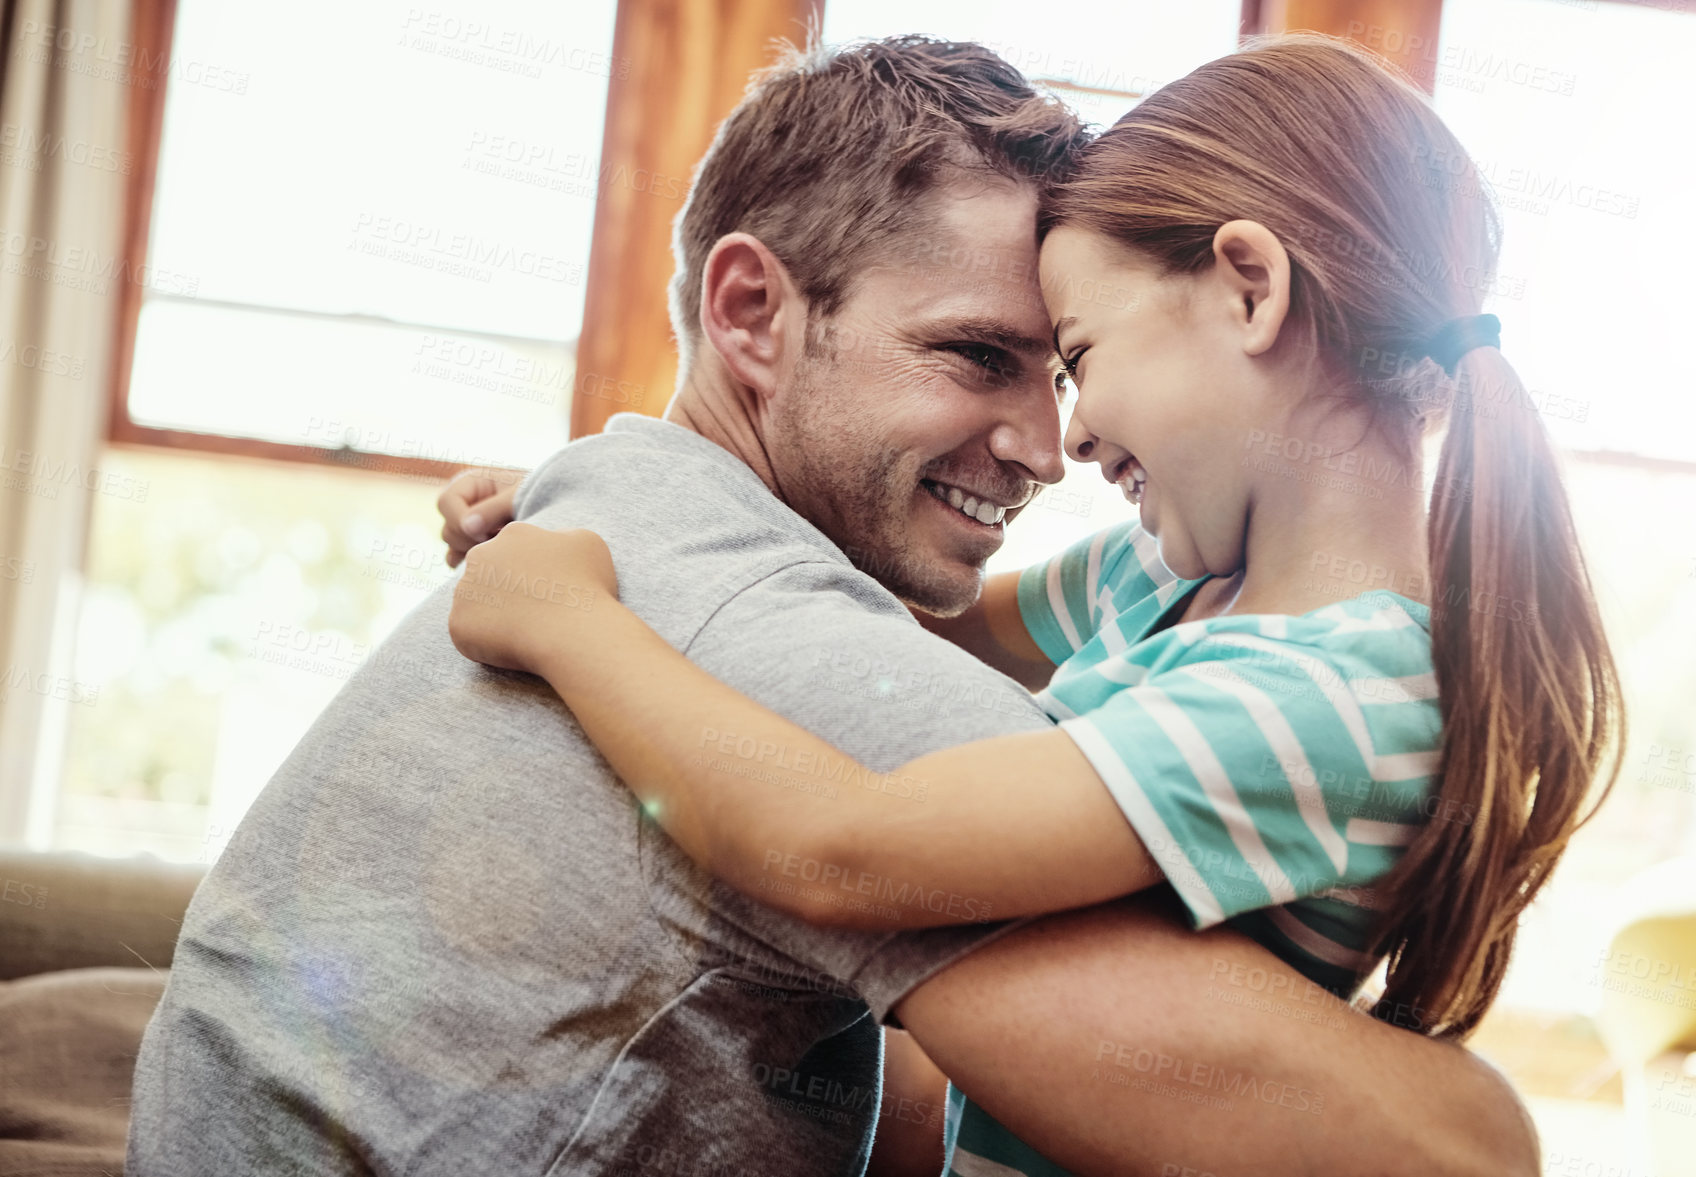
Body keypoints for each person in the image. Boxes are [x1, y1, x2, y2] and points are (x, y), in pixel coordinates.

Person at [129, 37, 1536, 1177]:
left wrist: (568, 562)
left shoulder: (625, 526)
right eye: (978, 354)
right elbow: (1451, 1154)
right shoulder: (786, 652)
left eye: (1061, 369)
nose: (1050, 449)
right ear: (751, 312)